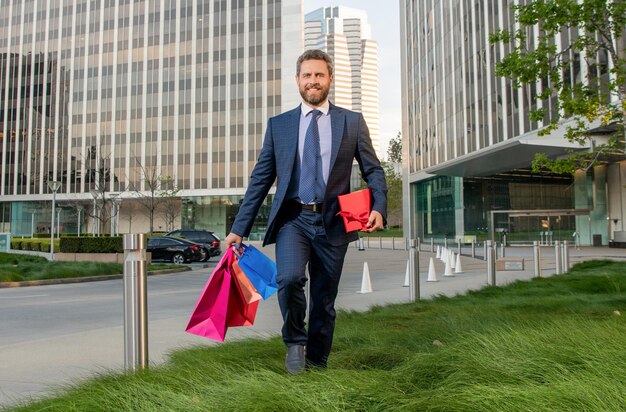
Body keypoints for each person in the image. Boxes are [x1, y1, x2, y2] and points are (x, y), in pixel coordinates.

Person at [224, 49, 387, 374]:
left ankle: (317, 363)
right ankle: (295, 343)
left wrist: (380, 207)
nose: (313, 81)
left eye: (319, 75)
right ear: (298, 80)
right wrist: (238, 228)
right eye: (307, 75)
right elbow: (260, 179)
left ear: (329, 79)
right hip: (293, 220)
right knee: (289, 279)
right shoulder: (279, 126)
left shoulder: (351, 122)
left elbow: (374, 170)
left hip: (334, 223)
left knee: (324, 301)